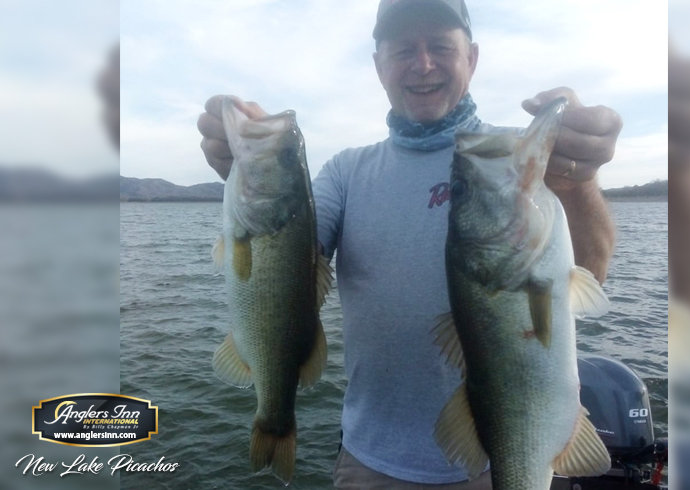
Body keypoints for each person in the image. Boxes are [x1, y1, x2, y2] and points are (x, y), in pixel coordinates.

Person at [198, 1, 622, 487]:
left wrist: (580, 179)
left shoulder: (515, 157)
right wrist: (248, 174)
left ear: (473, 58)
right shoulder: (346, 172)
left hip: (495, 458)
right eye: (403, 51)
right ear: (379, 65)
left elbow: (594, 267)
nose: (423, 65)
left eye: (441, 46)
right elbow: (284, 264)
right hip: (371, 462)